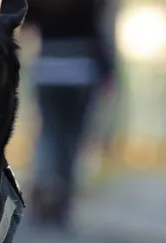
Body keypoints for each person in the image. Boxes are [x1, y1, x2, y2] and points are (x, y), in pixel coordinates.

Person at [23, 0, 116, 229]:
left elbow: (26, 22)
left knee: (49, 132)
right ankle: (62, 197)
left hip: (48, 66)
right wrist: (109, 71)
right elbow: (99, 31)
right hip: (82, 66)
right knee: (72, 138)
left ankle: (45, 186)